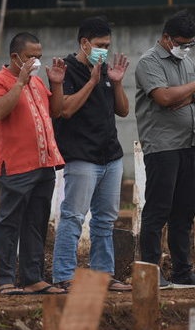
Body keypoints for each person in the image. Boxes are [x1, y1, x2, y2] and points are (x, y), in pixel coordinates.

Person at [50, 17, 134, 292]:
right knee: (74, 216)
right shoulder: (67, 70)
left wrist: (117, 83)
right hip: (81, 157)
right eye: (99, 45)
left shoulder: (105, 70)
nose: (104, 51)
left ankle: (103, 275)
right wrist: (92, 81)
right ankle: (64, 275)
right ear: (84, 43)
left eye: (107, 46)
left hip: (110, 156)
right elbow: (64, 109)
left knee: (106, 220)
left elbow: (122, 111)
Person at [134, 9, 195, 289]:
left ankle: (182, 270)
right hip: (162, 146)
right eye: (181, 43)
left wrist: (191, 95)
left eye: (189, 44)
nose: (185, 48)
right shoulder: (148, 62)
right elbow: (164, 97)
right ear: (166, 38)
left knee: (184, 211)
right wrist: (190, 88)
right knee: (158, 210)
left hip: (189, 143)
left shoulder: (186, 62)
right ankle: (150, 270)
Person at [0, 32, 67, 295]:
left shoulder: (37, 82)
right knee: (9, 222)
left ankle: (33, 278)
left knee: (36, 221)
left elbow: (56, 111)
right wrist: (18, 84)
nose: (35, 62)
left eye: (38, 57)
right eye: (31, 57)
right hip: (17, 166)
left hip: (44, 163)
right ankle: (3, 279)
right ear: (15, 57)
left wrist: (57, 84)